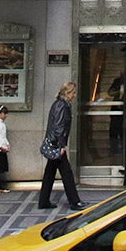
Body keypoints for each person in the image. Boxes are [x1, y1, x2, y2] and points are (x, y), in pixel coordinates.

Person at [37, 81, 83, 211]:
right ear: (68, 93)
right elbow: (59, 127)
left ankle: (44, 200)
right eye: (73, 93)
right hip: (57, 144)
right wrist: (62, 145)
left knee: (50, 172)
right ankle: (74, 201)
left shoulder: (59, 104)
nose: (74, 96)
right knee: (66, 173)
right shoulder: (62, 105)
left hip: (54, 143)